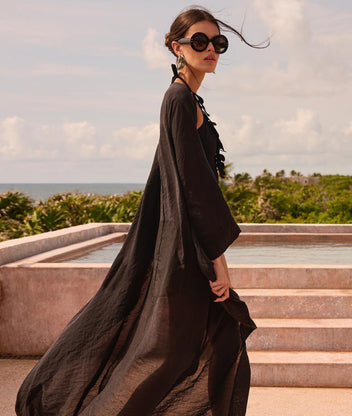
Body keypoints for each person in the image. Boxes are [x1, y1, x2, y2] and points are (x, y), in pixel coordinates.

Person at [15, 6, 268, 416]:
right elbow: (194, 186)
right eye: (199, 41)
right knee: (170, 354)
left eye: (217, 43)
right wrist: (218, 260)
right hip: (186, 255)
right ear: (177, 47)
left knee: (205, 343)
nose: (210, 50)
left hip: (183, 249)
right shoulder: (179, 99)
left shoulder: (186, 98)